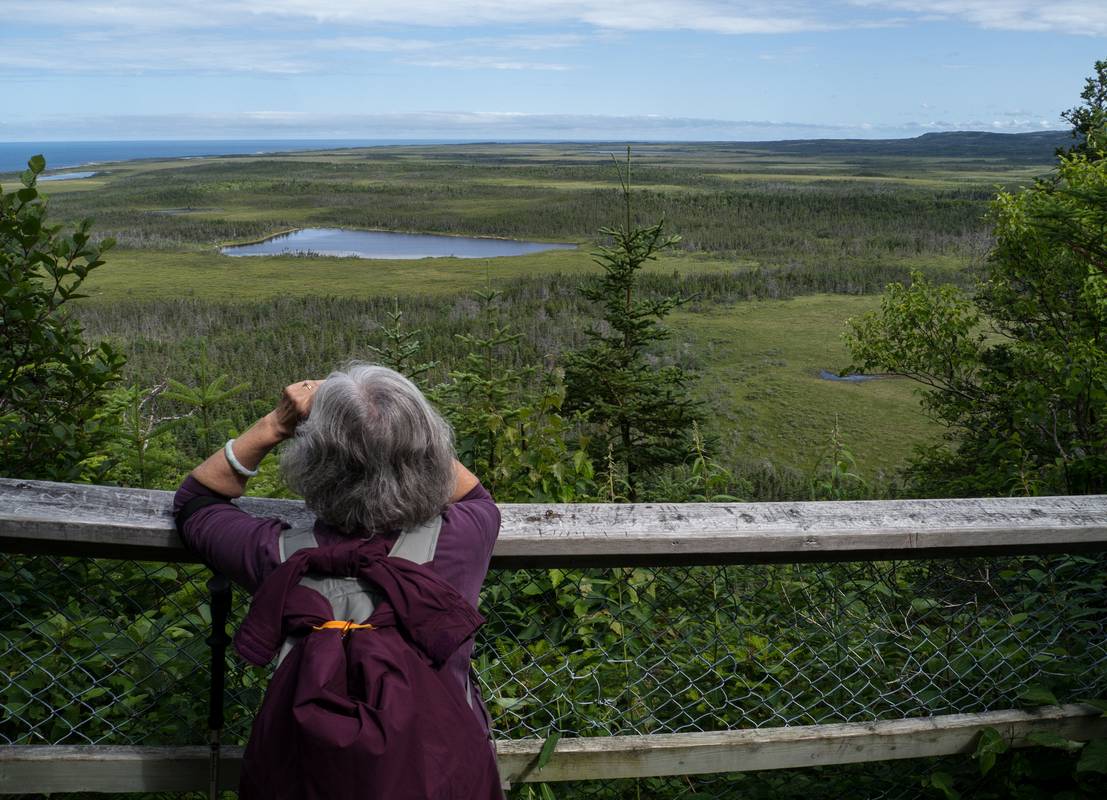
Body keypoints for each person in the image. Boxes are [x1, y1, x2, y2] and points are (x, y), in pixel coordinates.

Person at [174, 363, 504, 799]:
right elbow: (474, 494)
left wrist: (277, 423)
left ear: (312, 463)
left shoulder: (277, 556)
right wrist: (393, 423)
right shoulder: (461, 538)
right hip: (442, 779)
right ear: (427, 452)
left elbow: (197, 501)